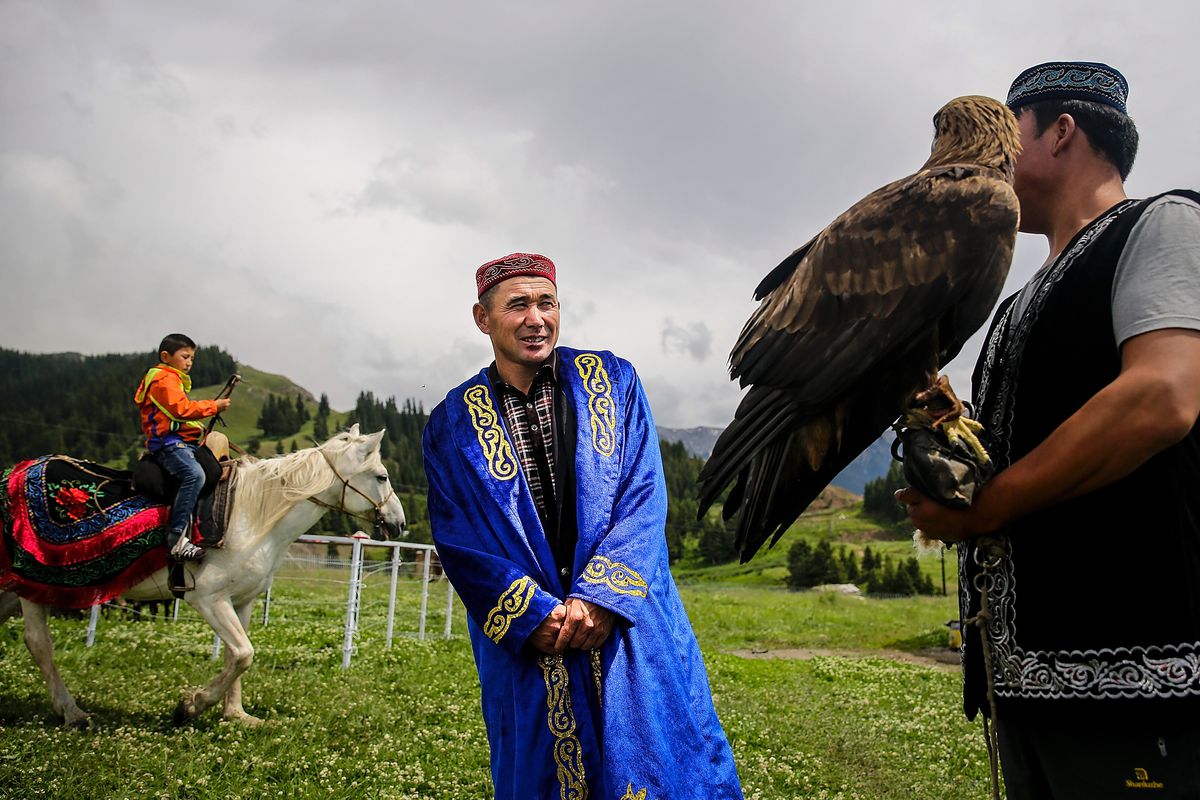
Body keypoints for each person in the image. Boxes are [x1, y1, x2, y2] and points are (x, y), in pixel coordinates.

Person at [897, 62, 1200, 797]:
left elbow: (1164, 393)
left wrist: (990, 507)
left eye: (1007, 135)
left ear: (1062, 132)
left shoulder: (1162, 223)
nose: (990, 158)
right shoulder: (1015, 301)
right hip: (1031, 682)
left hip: (1144, 679)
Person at [422, 253, 743, 800]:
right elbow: (458, 538)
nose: (535, 318)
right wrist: (533, 616)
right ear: (483, 319)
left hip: (626, 622)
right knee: (544, 773)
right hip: (532, 639)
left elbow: (644, 497)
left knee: (662, 760)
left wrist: (599, 598)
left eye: (546, 303)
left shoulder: (612, 380)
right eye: (517, 304)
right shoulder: (453, 422)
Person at [134, 333, 231, 561]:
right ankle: (176, 537)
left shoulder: (172, 379)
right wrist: (213, 407)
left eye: (192, 358)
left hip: (181, 442)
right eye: (185, 356)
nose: (189, 362)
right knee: (194, 475)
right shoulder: (163, 380)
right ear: (166, 356)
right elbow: (180, 410)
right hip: (168, 444)